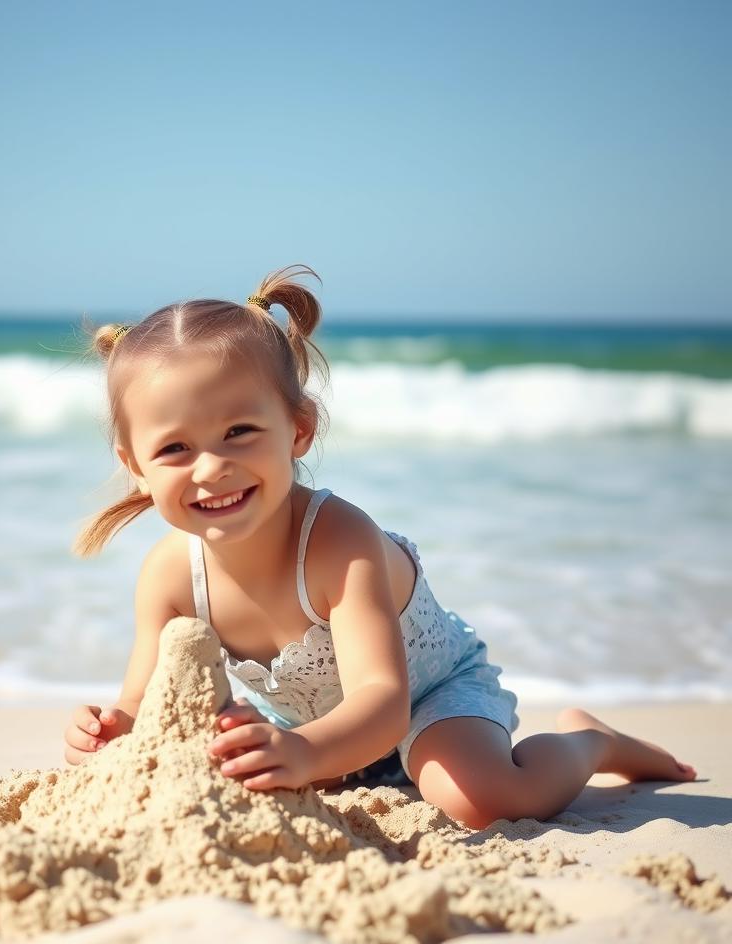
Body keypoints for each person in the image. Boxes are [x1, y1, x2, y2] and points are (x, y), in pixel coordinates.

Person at [63, 264, 696, 830]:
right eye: (175, 449)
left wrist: (307, 753)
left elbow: (381, 701)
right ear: (135, 465)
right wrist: (112, 727)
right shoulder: (170, 577)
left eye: (239, 432)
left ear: (298, 430)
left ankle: (589, 742)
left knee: (476, 799)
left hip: (425, 699)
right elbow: (145, 699)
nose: (211, 468)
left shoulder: (340, 541)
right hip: (307, 733)